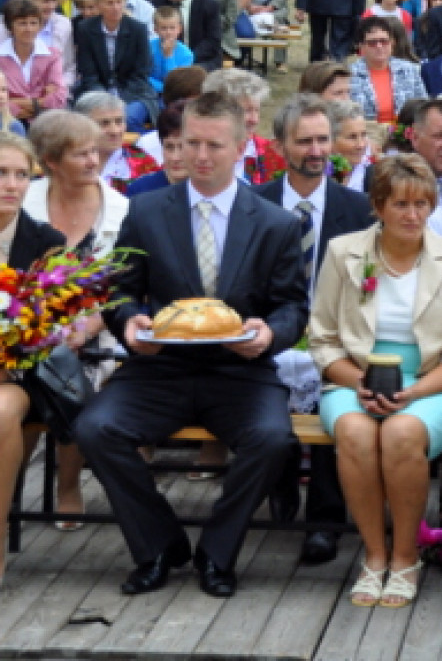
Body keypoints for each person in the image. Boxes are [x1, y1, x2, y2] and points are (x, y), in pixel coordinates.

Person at [74, 92, 308, 599]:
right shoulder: (146, 211)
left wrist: (269, 334)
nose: (200, 156)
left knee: (272, 439)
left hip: (240, 372)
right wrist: (129, 322)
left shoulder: (276, 223)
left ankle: (217, 553)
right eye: (189, 143)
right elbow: (119, 290)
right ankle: (159, 546)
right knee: (94, 428)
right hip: (159, 367)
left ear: (242, 147)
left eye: (213, 145)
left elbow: (292, 306)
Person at [310, 152, 442, 607]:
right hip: (355, 376)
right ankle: (374, 554)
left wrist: (416, 390)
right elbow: (322, 340)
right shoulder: (343, 252)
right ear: (378, 206)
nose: (412, 215)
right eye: (401, 204)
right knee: (355, 431)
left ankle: (405, 556)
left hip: (431, 380)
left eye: (422, 204)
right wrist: (358, 382)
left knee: (402, 432)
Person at [254, 93, 373, 565]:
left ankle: (325, 519)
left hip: (337, 337)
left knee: (335, 394)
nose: (317, 151)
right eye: (304, 141)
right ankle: (278, 480)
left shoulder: (359, 209)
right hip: (268, 333)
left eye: (324, 140)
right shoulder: (254, 204)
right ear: (280, 146)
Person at [24, 110, 130, 529]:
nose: (93, 161)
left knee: (79, 378)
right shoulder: (23, 202)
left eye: (94, 151)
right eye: (80, 154)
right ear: (51, 161)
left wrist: (90, 326)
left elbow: (126, 284)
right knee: (29, 377)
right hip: (25, 326)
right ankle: (11, 490)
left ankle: (68, 486)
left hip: (99, 331)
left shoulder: (121, 209)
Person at [0, 132, 65, 584]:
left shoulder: (45, 242)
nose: (12, 184)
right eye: (1, 173)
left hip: (19, 373)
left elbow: (50, 329)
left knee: (2, 412)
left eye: (21, 175)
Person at [74, 0, 158, 133]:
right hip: (97, 91)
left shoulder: (137, 29)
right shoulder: (85, 28)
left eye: (119, 2)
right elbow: (88, 73)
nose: (116, 7)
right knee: (86, 121)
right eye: (110, 3)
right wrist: (103, 99)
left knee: (127, 119)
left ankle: (146, 145)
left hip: (134, 92)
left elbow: (141, 73)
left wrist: (119, 100)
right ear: (98, 5)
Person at [201, 68, 283, 186]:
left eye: (257, 110)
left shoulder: (273, 154)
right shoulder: (196, 155)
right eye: (247, 111)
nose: (254, 120)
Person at [349, 16, 426, 123]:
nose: (379, 46)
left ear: (392, 43)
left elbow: (423, 107)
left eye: (384, 41)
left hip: (405, 131)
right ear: (361, 46)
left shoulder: (410, 70)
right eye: (372, 43)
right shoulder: (349, 75)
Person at [0, 0, 66, 121]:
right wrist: (40, 104)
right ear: (10, 27)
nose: (29, 29)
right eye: (22, 23)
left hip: (45, 122)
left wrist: (13, 101)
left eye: (33, 23)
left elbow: (58, 98)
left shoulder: (52, 55)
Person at [152, 0, 222, 72]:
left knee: (193, 74)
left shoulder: (209, 5)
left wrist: (186, 58)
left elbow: (212, 41)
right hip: (164, 58)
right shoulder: (157, 4)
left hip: (201, 60)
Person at [127, 100, 189, 196]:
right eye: (169, 147)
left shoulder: (212, 191)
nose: (175, 157)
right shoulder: (140, 190)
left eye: (183, 148)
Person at [148, 5, 193, 95]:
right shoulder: (149, 47)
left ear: (179, 29)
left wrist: (168, 56)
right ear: (155, 30)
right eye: (164, 28)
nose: (168, 32)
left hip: (174, 95)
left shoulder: (187, 55)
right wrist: (162, 88)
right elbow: (143, 76)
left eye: (172, 28)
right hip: (149, 91)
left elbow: (175, 83)